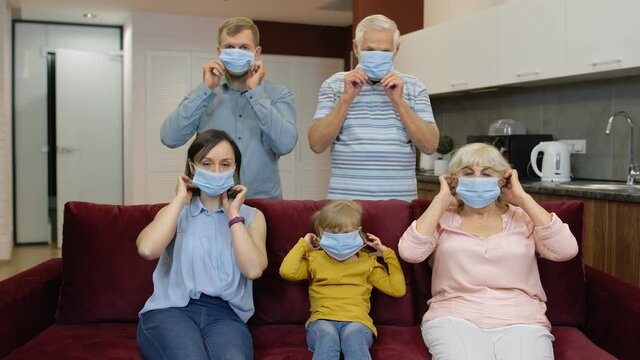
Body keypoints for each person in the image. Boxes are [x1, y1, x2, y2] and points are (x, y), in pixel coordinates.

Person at [398, 143, 579, 360]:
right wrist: (441, 200)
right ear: (454, 180)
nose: (476, 179)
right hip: (454, 317)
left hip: (522, 319)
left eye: (486, 173)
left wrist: (522, 198)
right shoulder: (442, 218)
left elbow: (566, 249)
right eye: (467, 173)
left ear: (502, 179)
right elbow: (410, 252)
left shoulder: (523, 218)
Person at [136, 129, 267, 360]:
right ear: (192, 166)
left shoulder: (253, 217)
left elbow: (253, 270)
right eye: (207, 163)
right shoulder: (176, 212)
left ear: (235, 168)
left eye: (225, 164)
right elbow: (147, 249)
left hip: (226, 315)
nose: (216, 172)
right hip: (171, 311)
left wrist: (233, 216)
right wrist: (179, 200)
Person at [161, 17, 297, 199]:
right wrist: (206, 89)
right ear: (219, 51)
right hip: (211, 204)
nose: (236, 53)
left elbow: (285, 144)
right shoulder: (204, 95)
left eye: (244, 48)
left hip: (263, 206)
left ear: (256, 52)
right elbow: (170, 138)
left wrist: (256, 92)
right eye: (230, 47)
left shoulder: (278, 95)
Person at [308, 14, 439, 201]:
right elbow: (316, 144)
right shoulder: (334, 84)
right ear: (356, 48)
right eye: (370, 50)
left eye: (385, 51)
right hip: (344, 206)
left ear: (396, 49)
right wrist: (346, 99)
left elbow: (430, 145)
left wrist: (399, 102)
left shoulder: (414, 86)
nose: (378, 56)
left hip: (399, 205)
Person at [279, 200, 406, 360]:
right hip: (321, 321)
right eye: (333, 233)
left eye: (346, 233)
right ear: (322, 232)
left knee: (352, 335)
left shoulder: (368, 262)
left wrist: (388, 255)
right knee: (327, 335)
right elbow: (287, 272)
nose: (340, 238)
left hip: (358, 323)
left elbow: (397, 289)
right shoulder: (314, 259)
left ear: (358, 231)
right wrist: (304, 243)